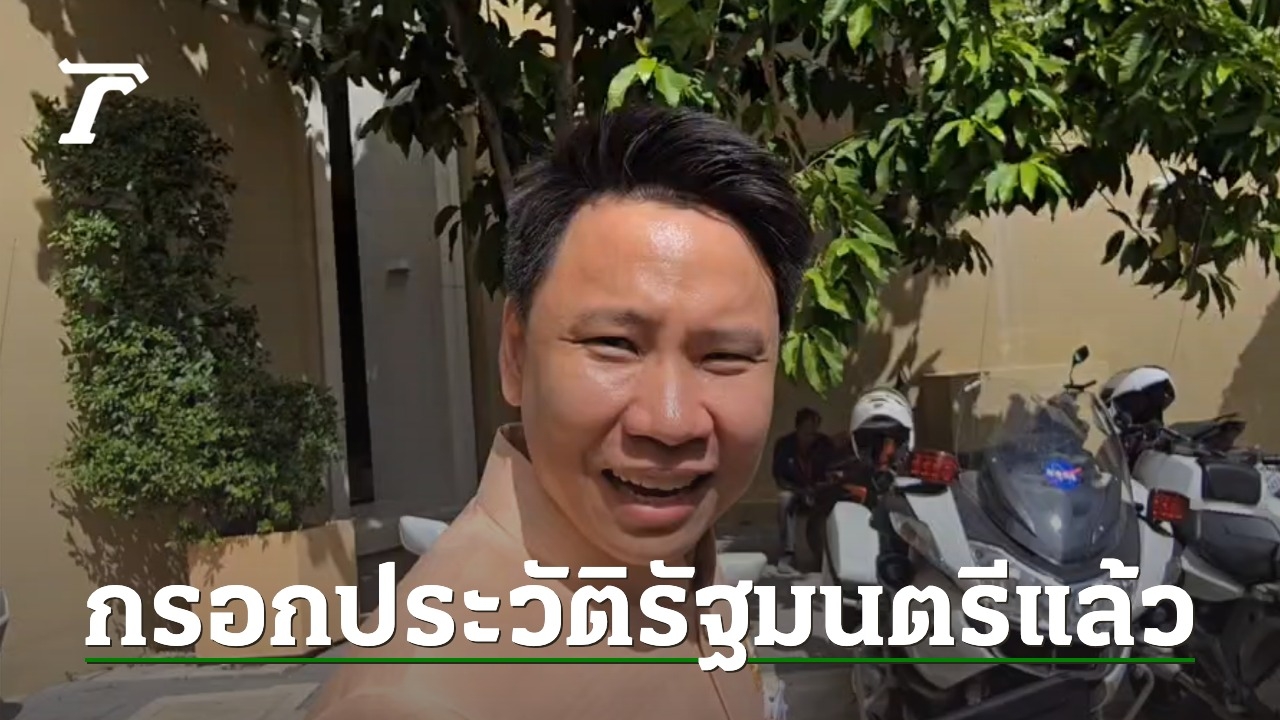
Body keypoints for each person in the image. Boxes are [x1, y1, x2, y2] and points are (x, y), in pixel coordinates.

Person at [304, 104, 814, 720]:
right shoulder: (420, 700)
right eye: (614, 345)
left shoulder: (685, 572)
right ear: (516, 356)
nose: (671, 421)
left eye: (725, 355)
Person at [770, 408, 835, 574]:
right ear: (798, 428)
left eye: (814, 431)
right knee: (785, 500)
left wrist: (817, 490)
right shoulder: (784, 446)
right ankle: (788, 555)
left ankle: (822, 558)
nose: (810, 436)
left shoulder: (825, 445)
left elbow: (832, 472)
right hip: (796, 492)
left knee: (828, 509)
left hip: (818, 493)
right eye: (806, 431)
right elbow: (779, 477)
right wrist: (800, 492)